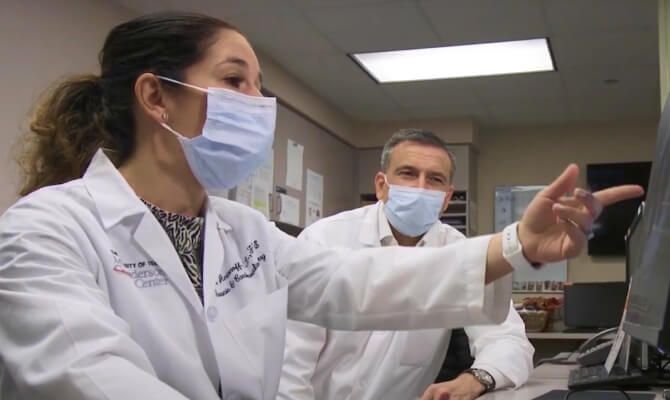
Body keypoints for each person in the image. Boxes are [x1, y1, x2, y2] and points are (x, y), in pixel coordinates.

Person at [0, 12, 642, 400]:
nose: (257, 103)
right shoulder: (50, 228)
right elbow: (86, 376)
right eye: (234, 82)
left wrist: (516, 247)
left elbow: (357, 282)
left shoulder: (243, 232)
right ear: (155, 97)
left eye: (259, 86)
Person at [278, 129, 534, 400]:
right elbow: (288, 366)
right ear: (381, 185)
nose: (420, 188)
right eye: (408, 173)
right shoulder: (324, 239)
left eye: (434, 179)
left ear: (447, 198)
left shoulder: (457, 250)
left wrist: (475, 379)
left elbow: (510, 340)